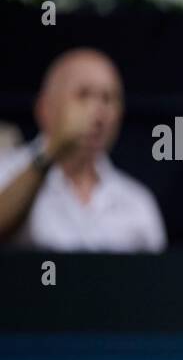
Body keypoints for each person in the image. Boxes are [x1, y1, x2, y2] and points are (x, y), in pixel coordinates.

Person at [0, 48, 166, 252]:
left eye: (108, 98)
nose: (98, 112)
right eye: (83, 95)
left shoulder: (137, 203)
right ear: (44, 108)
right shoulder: (6, 171)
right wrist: (52, 152)